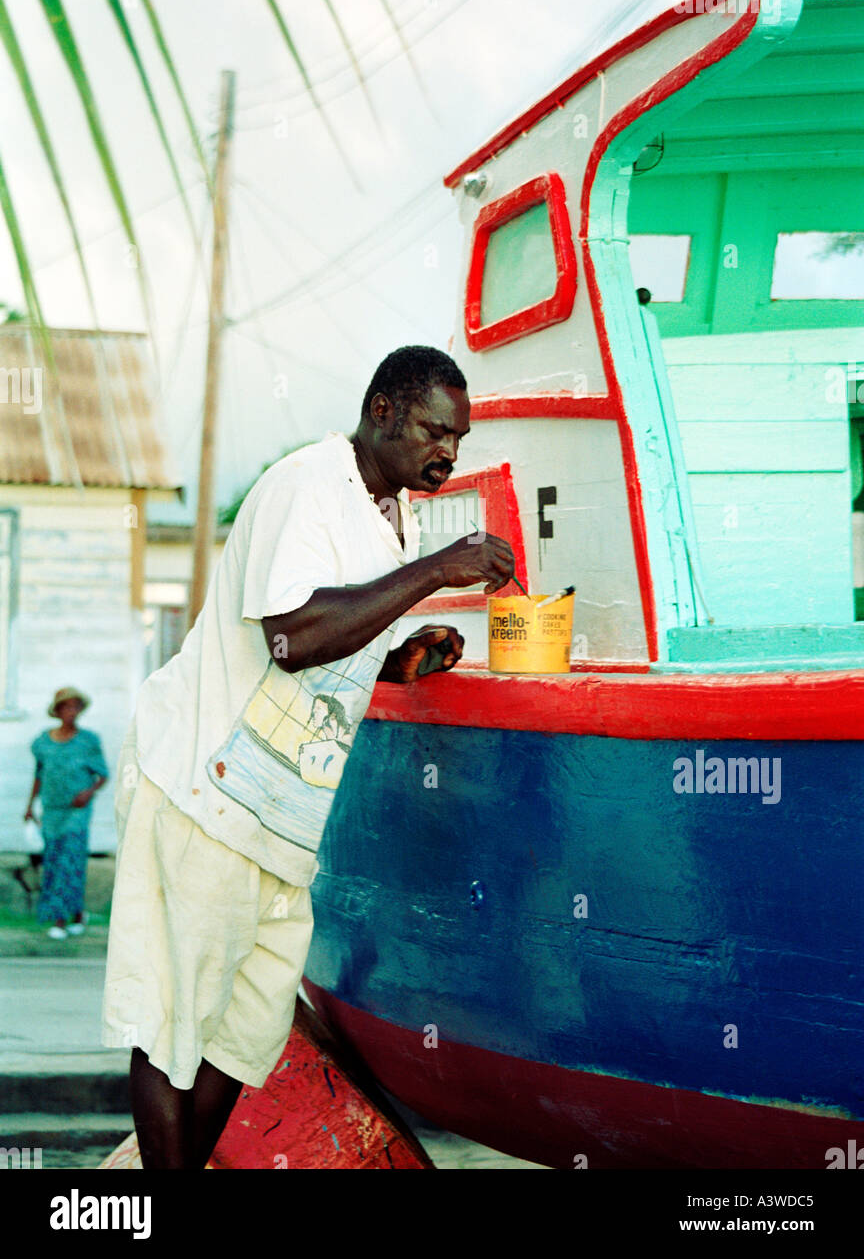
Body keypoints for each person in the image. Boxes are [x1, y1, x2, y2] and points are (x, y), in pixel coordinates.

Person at [101, 344, 516, 1169]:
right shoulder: (308, 485)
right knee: (174, 1026)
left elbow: (334, 640)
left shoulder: (383, 511)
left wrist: (400, 657)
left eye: (460, 440)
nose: (449, 453)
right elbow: (291, 639)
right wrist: (440, 570)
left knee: (245, 1033)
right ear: (384, 411)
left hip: (281, 820)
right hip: (204, 789)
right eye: (437, 431)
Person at [26, 687, 108, 940]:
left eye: (75, 707)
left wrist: (88, 792)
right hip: (52, 810)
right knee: (53, 861)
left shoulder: (88, 741)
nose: (70, 711)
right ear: (58, 710)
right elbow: (39, 775)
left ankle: (66, 919)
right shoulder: (43, 742)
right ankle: (68, 915)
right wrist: (30, 806)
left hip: (77, 811)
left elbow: (102, 774)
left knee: (70, 861)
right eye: (66, 706)